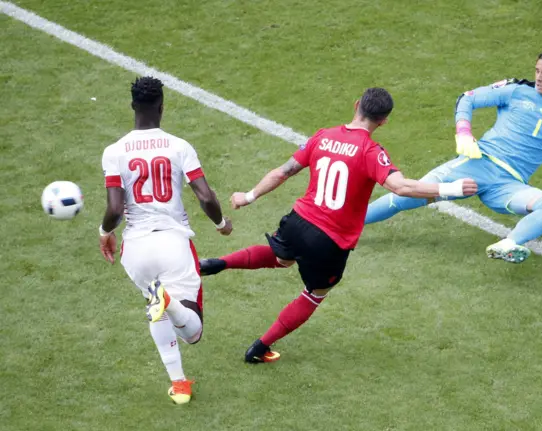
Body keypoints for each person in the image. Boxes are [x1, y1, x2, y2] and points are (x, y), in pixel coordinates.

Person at [198, 88, 477, 363]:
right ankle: (260, 348)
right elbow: (401, 187)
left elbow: (284, 172)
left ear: (356, 105)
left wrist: (247, 196)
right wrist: (450, 188)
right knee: (313, 294)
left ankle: (215, 263)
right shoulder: (371, 151)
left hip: (298, 220)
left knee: (282, 258)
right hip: (329, 240)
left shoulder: (323, 136)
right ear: (383, 121)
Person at [365, 48, 542, 263]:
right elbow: (468, 98)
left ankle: (508, 244)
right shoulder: (516, 90)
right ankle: (344, 223)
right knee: (407, 197)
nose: (539, 78)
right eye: (537, 71)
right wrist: (463, 132)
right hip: (476, 165)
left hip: (508, 186)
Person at [99, 76, 232, 404]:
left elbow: (115, 208)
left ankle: (180, 384)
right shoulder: (178, 146)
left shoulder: (114, 151)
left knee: (154, 307)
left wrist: (104, 233)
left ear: (133, 106)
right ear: (162, 106)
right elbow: (205, 196)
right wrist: (221, 222)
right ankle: (169, 300)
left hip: (136, 250)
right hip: (173, 244)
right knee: (193, 331)